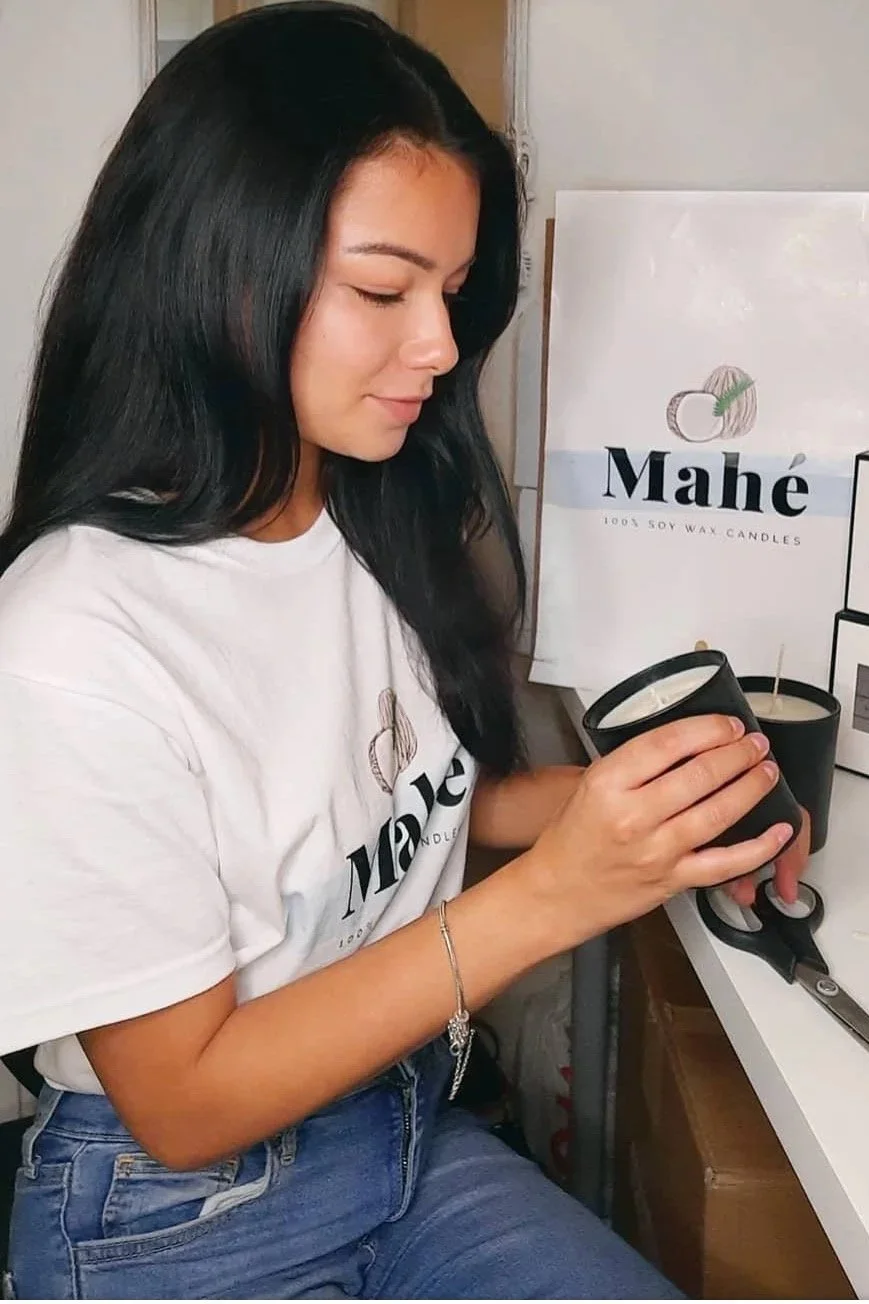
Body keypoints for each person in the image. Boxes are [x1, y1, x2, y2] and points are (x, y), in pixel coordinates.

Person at [0, 3, 808, 1298]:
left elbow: (415, 812)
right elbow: (186, 1102)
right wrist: (558, 893)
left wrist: (665, 812)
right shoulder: (72, 641)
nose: (439, 348)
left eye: (447, 290)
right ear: (219, 261)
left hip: (408, 1130)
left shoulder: (363, 509)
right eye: (384, 288)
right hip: (179, 1218)